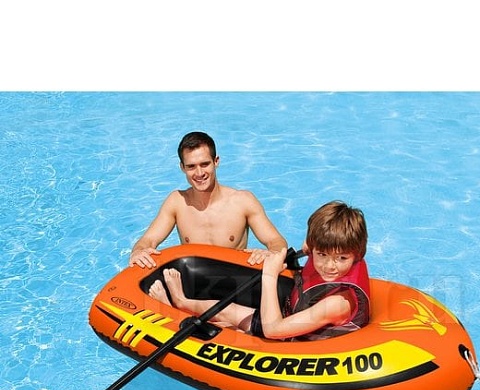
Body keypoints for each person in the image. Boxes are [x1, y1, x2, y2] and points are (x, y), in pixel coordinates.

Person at [148, 201, 371, 341]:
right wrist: (278, 254)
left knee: (230, 320)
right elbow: (309, 246)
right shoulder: (321, 248)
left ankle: (178, 304)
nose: (330, 266)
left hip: (292, 340)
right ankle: (187, 304)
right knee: (228, 311)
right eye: (321, 255)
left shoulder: (338, 304)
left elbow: (272, 330)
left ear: (357, 254)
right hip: (293, 317)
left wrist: (270, 275)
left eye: (342, 258)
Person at [129, 131, 287, 268]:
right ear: (182, 167)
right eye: (191, 166)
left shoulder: (242, 201)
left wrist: (272, 252)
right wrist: (138, 251)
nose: (199, 173)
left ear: (216, 162)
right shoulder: (177, 202)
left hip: (236, 281)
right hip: (194, 281)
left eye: (204, 164)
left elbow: (276, 241)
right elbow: (148, 240)